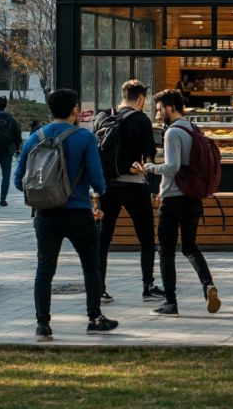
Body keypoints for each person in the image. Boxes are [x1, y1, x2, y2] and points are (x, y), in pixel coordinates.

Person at [14, 88, 118, 341]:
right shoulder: (84, 137)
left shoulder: (35, 137)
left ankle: (43, 325)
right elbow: (97, 178)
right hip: (78, 212)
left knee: (44, 269)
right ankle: (94, 318)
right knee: (90, 266)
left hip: (46, 215)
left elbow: (19, 180)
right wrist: (100, 193)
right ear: (74, 110)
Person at [142, 89, 220, 316]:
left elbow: (172, 167)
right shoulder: (192, 128)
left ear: (168, 108)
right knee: (190, 246)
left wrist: (150, 168)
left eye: (159, 109)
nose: (157, 114)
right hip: (193, 199)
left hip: (173, 201)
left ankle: (171, 303)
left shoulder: (172, 133)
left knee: (166, 251)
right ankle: (208, 285)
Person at [93, 80, 165, 305]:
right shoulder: (141, 119)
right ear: (141, 99)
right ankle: (147, 286)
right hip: (134, 185)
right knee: (145, 238)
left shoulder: (103, 116)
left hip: (108, 187)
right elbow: (149, 152)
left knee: (103, 239)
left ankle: (99, 288)